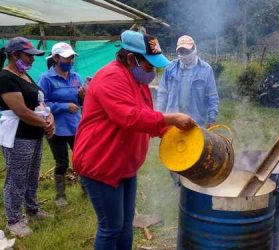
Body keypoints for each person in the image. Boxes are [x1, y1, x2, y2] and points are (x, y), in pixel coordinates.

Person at [72, 30, 195, 250]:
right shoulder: (110, 77)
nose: (153, 72)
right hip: (101, 163)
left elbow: (148, 116)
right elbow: (130, 117)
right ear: (131, 58)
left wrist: (176, 133)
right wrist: (172, 118)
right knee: (111, 227)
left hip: (125, 164)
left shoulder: (137, 80)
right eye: (149, 66)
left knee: (125, 224)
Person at [0, 37, 55, 237]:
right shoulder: (6, 78)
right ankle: (14, 219)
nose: (32, 60)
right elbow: (21, 111)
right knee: (17, 178)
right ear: (15, 55)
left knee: (32, 175)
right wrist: (45, 123)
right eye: (28, 56)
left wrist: (50, 118)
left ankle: (32, 209)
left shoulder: (24, 74)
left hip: (34, 134)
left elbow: (39, 102)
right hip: (18, 136)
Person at [156, 35, 219, 186]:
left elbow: (212, 97)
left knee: (196, 154)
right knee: (174, 152)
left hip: (195, 121)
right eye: (181, 51)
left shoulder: (206, 70)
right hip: (173, 121)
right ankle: (177, 184)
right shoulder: (170, 68)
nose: (184, 54)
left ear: (194, 49)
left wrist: (212, 119)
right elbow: (162, 93)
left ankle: (192, 184)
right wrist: (159, 116)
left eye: (187, 50)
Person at [38, 42, 84, 207]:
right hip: (56, 127)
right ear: (56, 58)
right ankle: (61, 196)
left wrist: (82, 97)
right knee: (62, 162)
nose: (70, 61)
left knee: (81, 159)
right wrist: (64, 106)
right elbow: (41, 104)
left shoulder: (76, 77)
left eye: (72, 57)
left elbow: (80, 102)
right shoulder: (46, 79)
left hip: (75, 126)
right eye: (67, 57)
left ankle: (86, 189)